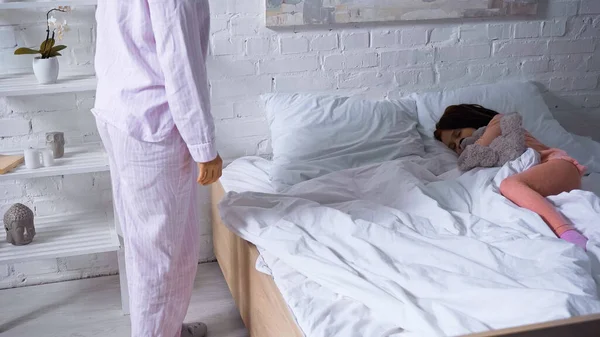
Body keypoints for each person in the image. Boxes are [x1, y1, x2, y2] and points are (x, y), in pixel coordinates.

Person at [92, 1, 221, 336]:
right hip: (153, 121)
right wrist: (204, 147)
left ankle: (167, 328)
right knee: (165, 254)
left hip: (120, 110)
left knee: (146, 246)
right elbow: (181, 60)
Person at [434, 104, 588, 250]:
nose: (458, 143)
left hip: (558, 166)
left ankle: (568, 234)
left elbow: (476, 150)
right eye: (453, 147)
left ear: (469, 120)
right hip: (538, 184)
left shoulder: (499, 122)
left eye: (458, 134)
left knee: (508, 185)